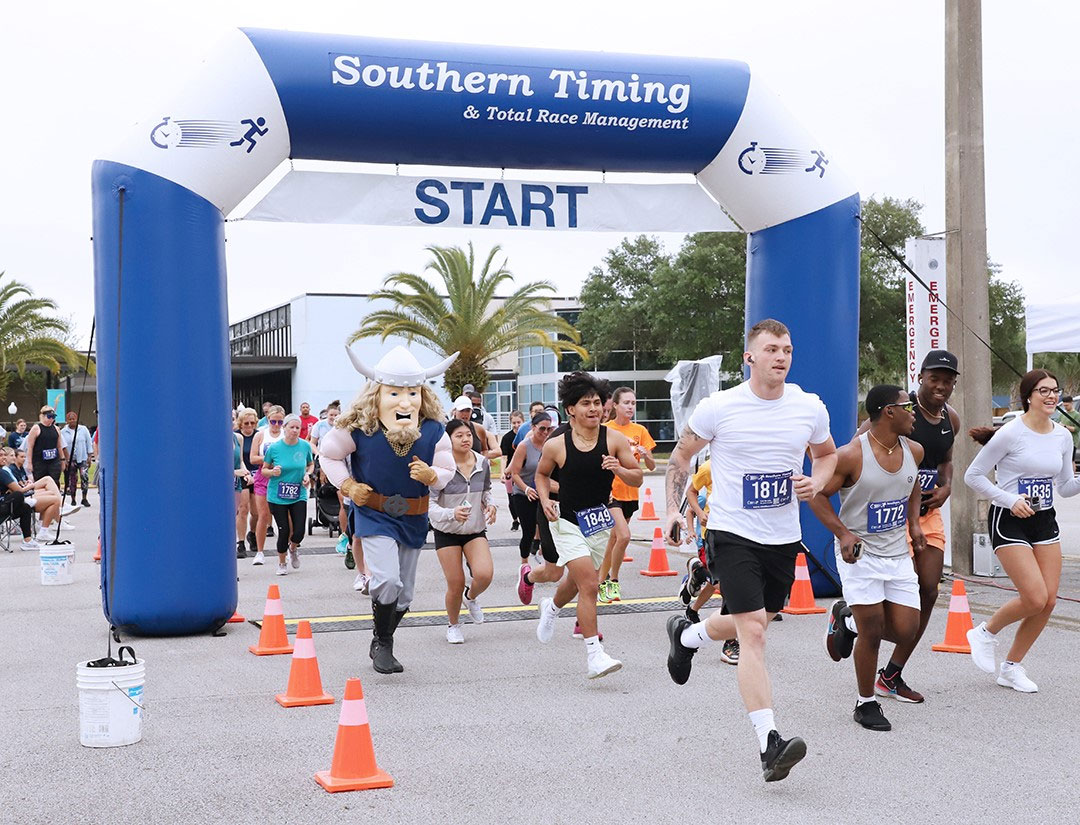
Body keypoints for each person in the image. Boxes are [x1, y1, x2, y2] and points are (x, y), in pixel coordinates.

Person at [663, 318, 836, 782]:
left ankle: (686, 636)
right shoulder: (719, 407)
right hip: (732, 532)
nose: (781, 356)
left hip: (781, 537)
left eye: (788, 349)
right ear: (750, 357)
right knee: (753, 634)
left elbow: (827, 455)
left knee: (756, 620)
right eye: (772, 349)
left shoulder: (807, 407)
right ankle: (769, 744)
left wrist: (816, 481)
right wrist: (675, 511)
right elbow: (680, 459)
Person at [320, 345, 458, 674]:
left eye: (412, 392)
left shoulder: (434, 429)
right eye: (395, 392)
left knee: (405, 594)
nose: (405, 401)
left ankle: (380, 636)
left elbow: (447, 469)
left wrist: (432, 475)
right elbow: (328, 454)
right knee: (386, 580)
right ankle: (383, 642)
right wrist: (348, 486)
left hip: (414, 515)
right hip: (374, 513)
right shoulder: (359, 426)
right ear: (377, 393)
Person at [810, 385, 926, 731]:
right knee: (872, 631)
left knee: (907, 630)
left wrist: (915, 523)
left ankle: (845, 620)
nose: (914, 413)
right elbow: (817, 496)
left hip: (896, 551)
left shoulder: (915, 450)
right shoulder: (851, 455)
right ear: (889, 411)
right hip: (859, 553)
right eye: (909, 407)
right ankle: (866, 703)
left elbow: (912, 484)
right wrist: (844, 534)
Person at [848, 349, 961, 703]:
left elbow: (946, 461)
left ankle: (892, 674)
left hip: (928, 515)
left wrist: (946, 486)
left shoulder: (950, 420)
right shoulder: (896, 410)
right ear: (921, 377)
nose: (941, 386)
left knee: (929, 590)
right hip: (892, 520)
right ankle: (851, 621)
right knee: (889, 608)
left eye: (948, 381)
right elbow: (859, 452)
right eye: (935, 378)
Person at [963, 369, 1080, 692]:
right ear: (1028, 396)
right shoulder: (1010, 434)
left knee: (1049, 601)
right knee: (1034, 596)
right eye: (1043, 390)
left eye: (1055, 391)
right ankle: (984, 633)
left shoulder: (1063, 435)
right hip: (1009, 520)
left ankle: (1011, 667)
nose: (1051, 396)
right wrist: (1010, 499)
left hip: (1044, 520)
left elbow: (1066, 487)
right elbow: (973, 476)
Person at [534, 371, 642, 680]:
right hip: (566, 521)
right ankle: (595, 655)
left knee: (576, 583)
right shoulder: (557, 444)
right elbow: (541, 475)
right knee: (591, 585)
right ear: (571, 409)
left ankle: (551, 608)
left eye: (597, 402)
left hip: (597, 521)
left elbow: (637, 477)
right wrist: (544, 500)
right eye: (585, 403)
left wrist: (619, 468)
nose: (593, 409)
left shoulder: (614, 439)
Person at [429, 419, 497, 644]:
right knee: (455, 582)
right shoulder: (439, 469)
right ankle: (454, 624)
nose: (465, 439)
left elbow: (486, 490)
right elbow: (429, 507)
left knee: (485, 574)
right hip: (446, 530)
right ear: (448, 440)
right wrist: (451, 514)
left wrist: (491, 505)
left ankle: (471, 597)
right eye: (459, 435)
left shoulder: (482, 462)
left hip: (474, 529)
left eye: (468, 435)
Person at [597, 386, 657, 603]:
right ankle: (611, 581)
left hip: (631, 492)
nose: (631, 407)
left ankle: (600, 580)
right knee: (623, 536)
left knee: (614, 539)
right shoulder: (605, 429)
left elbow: (650, 467)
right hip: (610, 492)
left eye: (633, 403)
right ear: (615, 405)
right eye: (626, 403)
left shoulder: (639, 431)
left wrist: (646, 454)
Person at [509, 412, 559, 601]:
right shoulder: (524, 446)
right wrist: (527, 488)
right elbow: (514, 473)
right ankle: (524, 565)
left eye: (549, 429)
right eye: (542, 429)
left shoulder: (552, 445)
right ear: (533, 428)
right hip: (524, 493)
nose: (545, 432)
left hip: (544, 494)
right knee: (528, 530)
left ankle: (544, 560)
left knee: (545, 529)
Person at [261, 414, 315, 576]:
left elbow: (310, 464)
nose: (295, 430)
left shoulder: (304, 446)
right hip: (277, 495)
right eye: (291, 427)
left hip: (298, 493)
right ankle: (282, 562)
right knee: (283, 530)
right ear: (284, 428)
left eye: (297, 427)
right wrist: (272, 471)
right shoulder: (275, 448)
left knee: (299, 531)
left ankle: (293, 548)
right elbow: (264, 470)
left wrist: (307, 475)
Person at [1, 445, 69, 543]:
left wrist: (25, 486)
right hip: (10, 503)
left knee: (46, 494)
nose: (13, 457)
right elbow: (18, 490)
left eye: (4, 455)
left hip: (15, 500)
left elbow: (18, 486)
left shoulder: (8, 470)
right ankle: (46, 528)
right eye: (11, 455)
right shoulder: (5, 471)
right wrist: (28, 487)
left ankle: (32, 536)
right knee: (53, 497)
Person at [249, 405, 286, 565]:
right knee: (263, 515)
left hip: (283, 476)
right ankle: (259, 551)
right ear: (268, 420)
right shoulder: (261, 435)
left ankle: (289, 548)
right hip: (263, 476)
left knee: (286, 516)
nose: (276, 425)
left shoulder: (286, 434)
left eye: (280, 422)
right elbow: (252, 458)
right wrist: (268, 458)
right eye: (273, 422)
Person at [1, 446, 39, 550]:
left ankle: (28, 541)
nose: (4, 457)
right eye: (1, 455)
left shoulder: (4, 471)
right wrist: (31, 486)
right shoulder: (2, 473)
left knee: (25, 508)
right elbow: (19, 490)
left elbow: (16, 487)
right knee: (18, 495)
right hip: (2, 507)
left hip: (4, 505)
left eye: (4, 455)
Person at [235, 408, 259, 558]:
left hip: (257, 475)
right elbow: (241, 459)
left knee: (256, 512)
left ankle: (252, 533)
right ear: (241, 424)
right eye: (246, 423)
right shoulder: (238, 436)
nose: (249, 426)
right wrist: (244, 473)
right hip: (243, 474)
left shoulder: (258, 435)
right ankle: (241, 542)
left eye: (252, 423)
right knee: (243, 509)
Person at [24, 406, 67, 489]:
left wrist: (62, 460)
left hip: (54, 461)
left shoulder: (56, 429)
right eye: (49, 417)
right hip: (39, 461)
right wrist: (29, 463)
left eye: (53, 417)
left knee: (55, 481)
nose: (51, 419)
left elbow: (59, 446)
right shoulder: (36, 428)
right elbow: (30, 447)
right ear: (43, 416)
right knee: (40, 482)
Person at [60, 411, 95, 508]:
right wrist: (64, 459)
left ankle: (84, 498)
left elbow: (89, 443)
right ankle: (73, 499)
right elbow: (62, 446)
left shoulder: (83, 429)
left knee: (84, 477)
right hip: (71, 459)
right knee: (72, 479)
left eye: (73, 419)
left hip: (82, 457)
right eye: (70, 419)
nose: (72, 421)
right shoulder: (63, 431)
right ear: (67, 421)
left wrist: (89, 456)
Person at [500, 410, 525, 530]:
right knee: (511, 498)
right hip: (510, 471)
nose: (516, 425)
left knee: (522, 496)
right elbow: (504, 457)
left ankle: (524, 518)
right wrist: (502, 472)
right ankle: (515, 520)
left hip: (523, 471)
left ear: (523, 422)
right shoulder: (507, 438)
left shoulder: (527, 435)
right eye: (514, 422)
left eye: (518, 422)